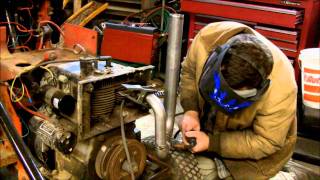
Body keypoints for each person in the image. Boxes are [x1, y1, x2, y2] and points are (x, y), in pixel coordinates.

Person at [179, 21, 297, 179]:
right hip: (209, 130)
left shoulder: (283, 88)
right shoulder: (207, 39)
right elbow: (189, 72)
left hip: (253, 156)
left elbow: (267, 141)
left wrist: (212, 143)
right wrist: (191, 110)